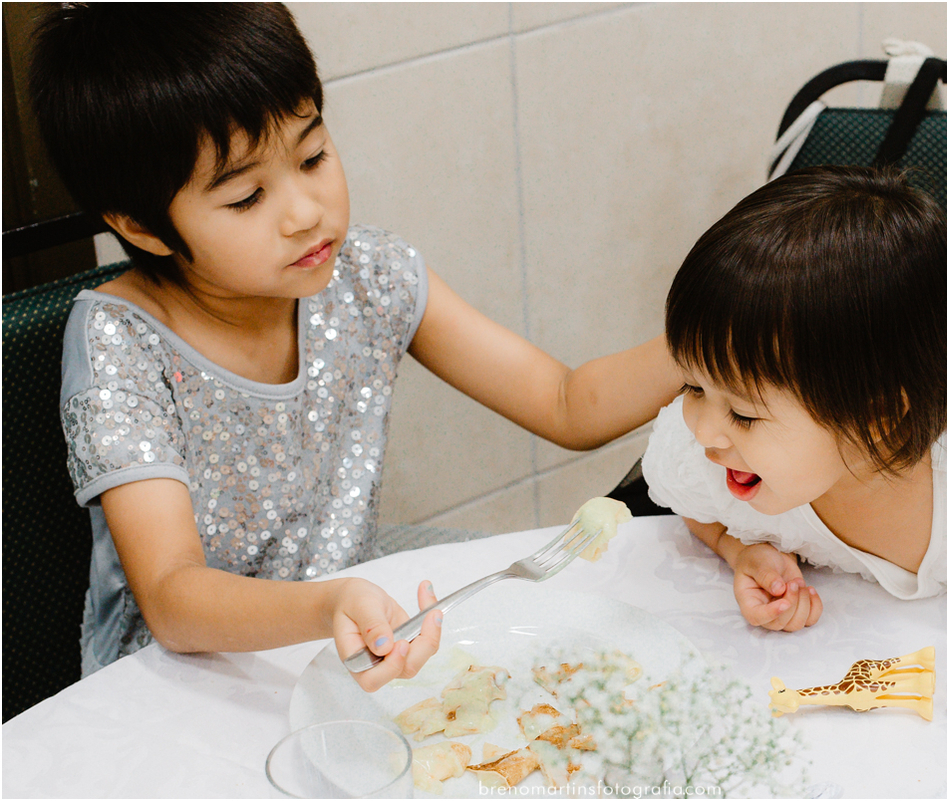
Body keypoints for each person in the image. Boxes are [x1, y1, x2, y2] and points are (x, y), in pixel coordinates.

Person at [31, 4, 678, 692]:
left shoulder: (370, 275)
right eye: (248, 197)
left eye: (312, 156)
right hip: (176, 684)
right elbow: (172, 596)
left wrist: (718, 342)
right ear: (144, 226)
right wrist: (325, 604)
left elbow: (566, 403)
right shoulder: (119, 339)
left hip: (347, 647)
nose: (305, 210)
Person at [641, 165, 947, 698]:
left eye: (743, 414)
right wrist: (737, 549)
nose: (704, 432)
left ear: (877, 415)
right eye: (694, 388)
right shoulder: (726, 455)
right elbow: (694, 499)